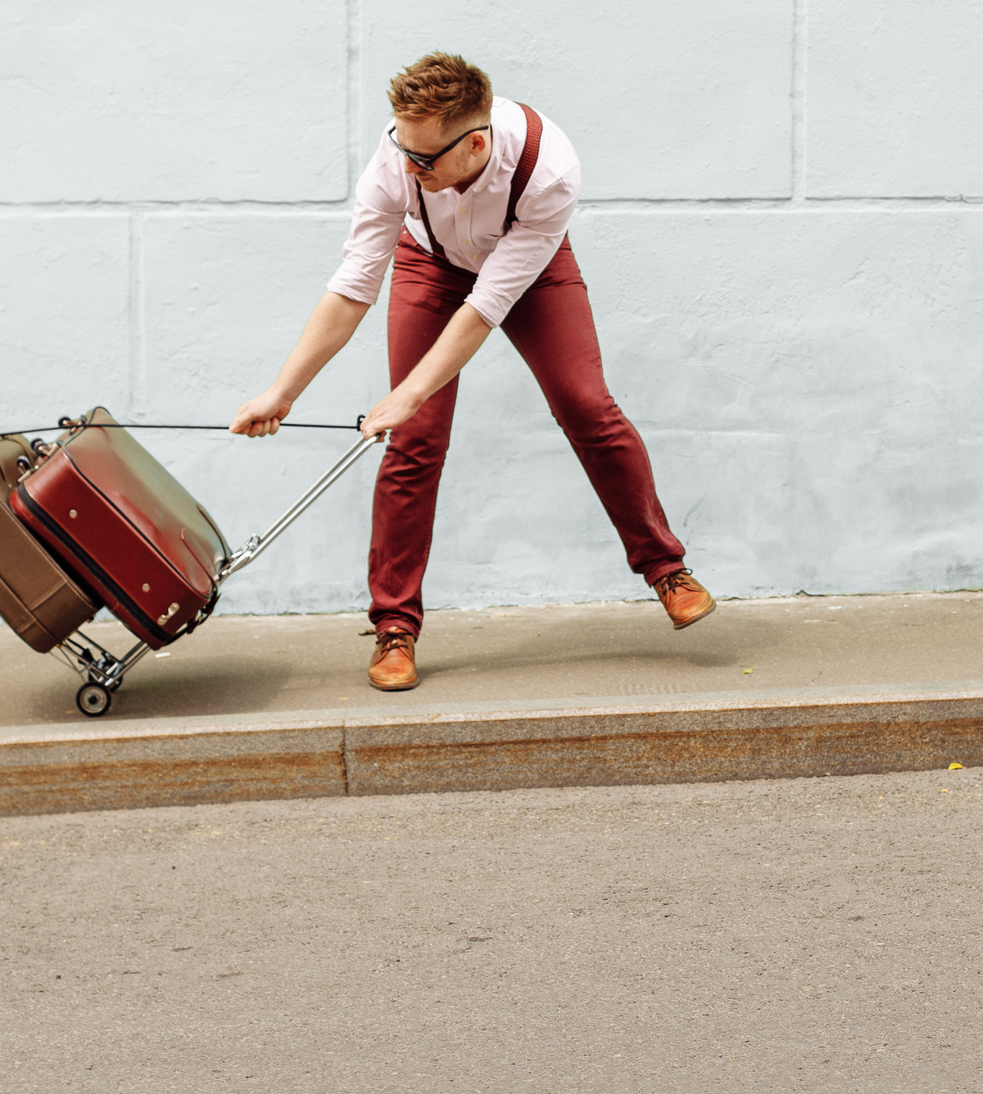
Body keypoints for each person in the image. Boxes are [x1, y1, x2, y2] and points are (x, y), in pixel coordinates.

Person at [231, 52, 713, 691]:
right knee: (416, 440)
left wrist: (407, 392)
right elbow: (352, 286)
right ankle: (394, 628)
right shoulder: (397, 160)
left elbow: (485, 308)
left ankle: (665, 567)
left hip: (528, 271)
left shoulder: (548, 173)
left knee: (585, 404)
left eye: (423, 159)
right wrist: (282, 391)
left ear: (475, 144)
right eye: (403, 149)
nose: (408, 166)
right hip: (428, 264)